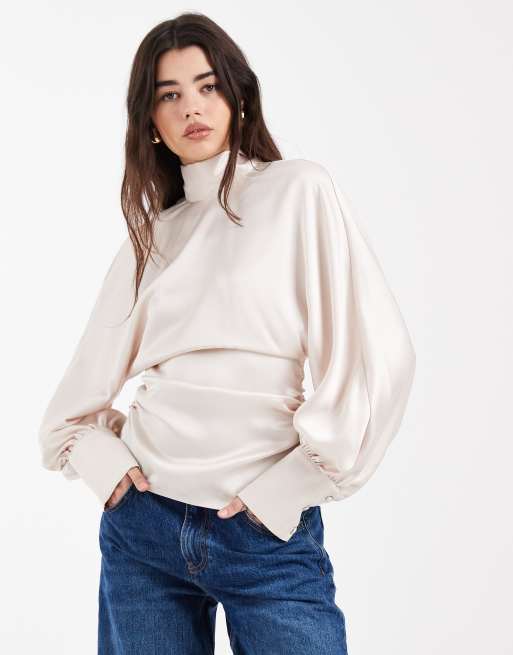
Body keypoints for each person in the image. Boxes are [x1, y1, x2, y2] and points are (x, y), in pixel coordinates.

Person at [38, 12, 416, 655]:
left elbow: (380, 360)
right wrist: (106, 466)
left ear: (238, 96)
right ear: (150, 122)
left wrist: (292, 487)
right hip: (145, 532)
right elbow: (66, 417)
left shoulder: (298, 190)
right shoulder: (152, 239)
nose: (192, 107)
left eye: (208, 86)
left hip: (264, 536)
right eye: (170, 95)